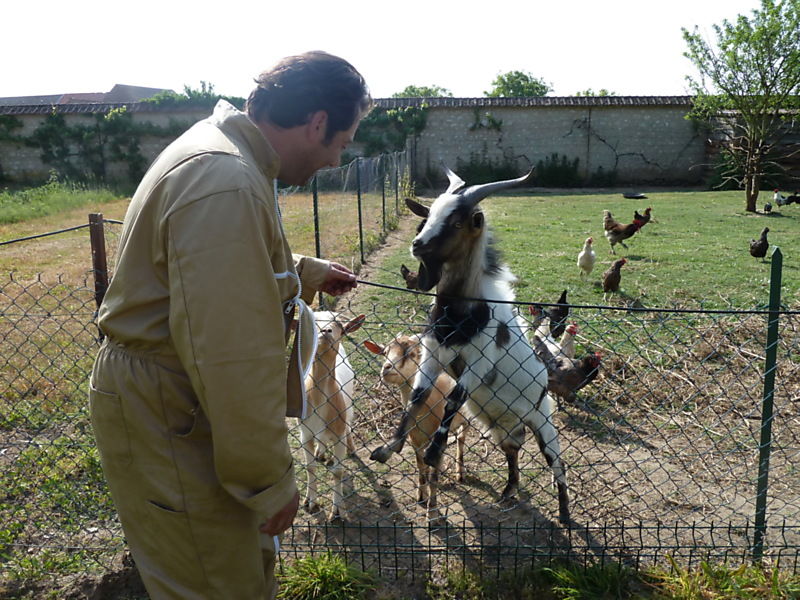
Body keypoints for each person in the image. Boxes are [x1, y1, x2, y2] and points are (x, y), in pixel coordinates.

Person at [88, 51, 372, 599]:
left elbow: (208, 283)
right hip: (172, 407)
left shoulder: (225, 156)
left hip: (176, 399)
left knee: (228, 564)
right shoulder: (226, 180)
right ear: (317, 123)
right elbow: (228, 354)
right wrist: (269, 479)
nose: (338, 159)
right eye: (341, 142)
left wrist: (300, 276)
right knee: (219, 583)